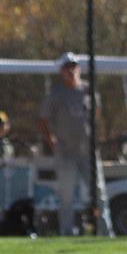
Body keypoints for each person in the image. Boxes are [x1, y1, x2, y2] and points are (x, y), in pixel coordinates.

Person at [38, 54, 96, 236]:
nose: (71, 71)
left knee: (98, 192)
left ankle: (103, 228)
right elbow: (42, 120)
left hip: (87, 151)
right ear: (62, 72)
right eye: (67, 68)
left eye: (74, 67)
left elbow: (97, 113)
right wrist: (51, 140)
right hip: (65, 152)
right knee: (66, 195)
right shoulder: (56, 94)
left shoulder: (87, 90)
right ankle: (67, 231)